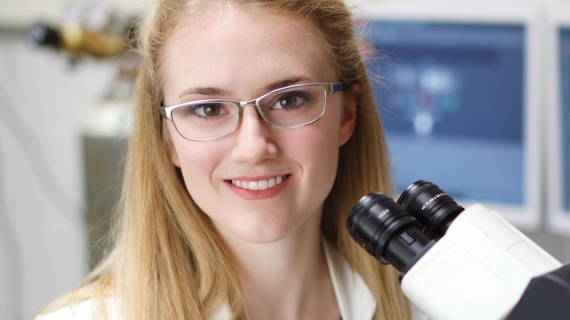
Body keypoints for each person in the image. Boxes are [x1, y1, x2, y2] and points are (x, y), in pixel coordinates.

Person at [36, 0, 414, 319]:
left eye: (289, 100)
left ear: (347, 114)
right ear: (165, 136)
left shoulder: (428, 305)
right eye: (209, 108)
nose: (253, 147)